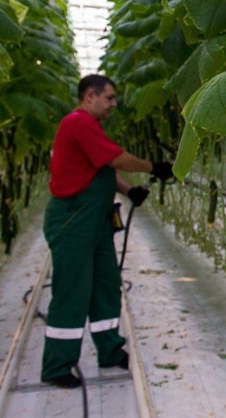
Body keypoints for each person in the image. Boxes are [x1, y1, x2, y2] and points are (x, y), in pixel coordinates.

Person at [41, 74, 174, 388]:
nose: (114, 104)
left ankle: (110, 351)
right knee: (73, 289)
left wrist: (128, 191)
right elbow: (116, 158)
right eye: (110, 97)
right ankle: (57, 366)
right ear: (90, 95)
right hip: (73, 219)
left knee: (105, 284)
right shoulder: (77, 123)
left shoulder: (89, 127)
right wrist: (154, 167)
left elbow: (101, 169)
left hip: (95, 220)